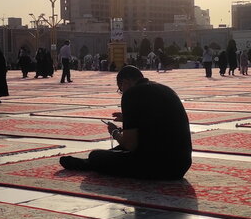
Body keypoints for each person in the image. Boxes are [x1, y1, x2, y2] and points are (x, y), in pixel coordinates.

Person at [59, 65, 192, 179]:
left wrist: (115, 132)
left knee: (96, 155)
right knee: (116, 151)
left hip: (158, 167)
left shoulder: (131, 94)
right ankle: (89, 163)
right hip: (181, 165)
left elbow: (130, 145)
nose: (122, 93)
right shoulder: (165, 89)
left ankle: (90, 162)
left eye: (121, 89)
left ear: (125, 82)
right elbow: (154, 122)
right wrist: (128, 117)